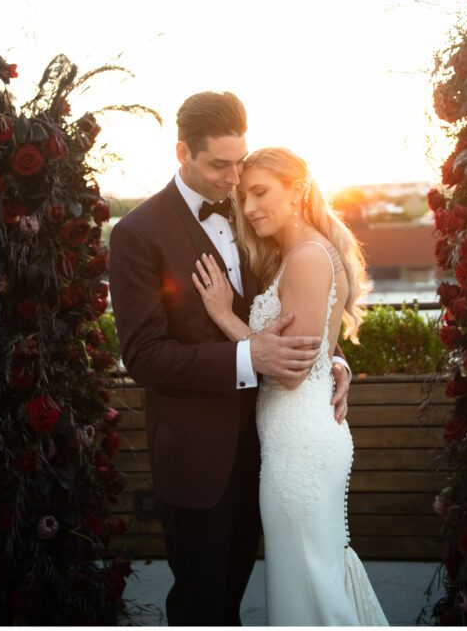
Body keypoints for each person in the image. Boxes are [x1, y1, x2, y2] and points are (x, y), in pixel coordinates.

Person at [108, 91, 352, 626]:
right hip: (199, 460)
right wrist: (249, 358)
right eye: (220, 165)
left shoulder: (251, 218)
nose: (234, 177)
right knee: (202, 606)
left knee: (242, 599)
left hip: (272, 451)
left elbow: (293, 313)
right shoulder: (137, 234)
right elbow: (144, 357)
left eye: (240, 161)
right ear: (182, 153)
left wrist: (329, 364)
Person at [191, 147, 387, 625]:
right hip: (294, 438)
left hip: (300, 446)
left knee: (309, 578)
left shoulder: (305, 256)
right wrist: (337, 364)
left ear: (297, 189)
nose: (250, 207)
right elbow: (317, 349)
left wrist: (222, 316)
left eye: (260, 192)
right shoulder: (300, 252)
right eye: (243, 197)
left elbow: (292, 367)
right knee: (309, 574)